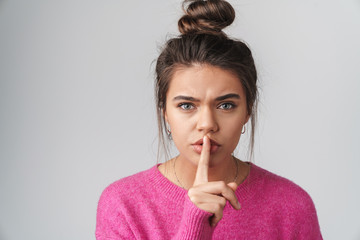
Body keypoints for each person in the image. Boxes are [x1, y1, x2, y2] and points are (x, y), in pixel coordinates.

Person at [95, 0, 323, 239]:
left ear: (247, 111)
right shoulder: (123, 205)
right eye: (186, 105)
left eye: (226, 105)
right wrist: (194, 227)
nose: (207, 124)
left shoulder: (291, 205)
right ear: (165, 111)